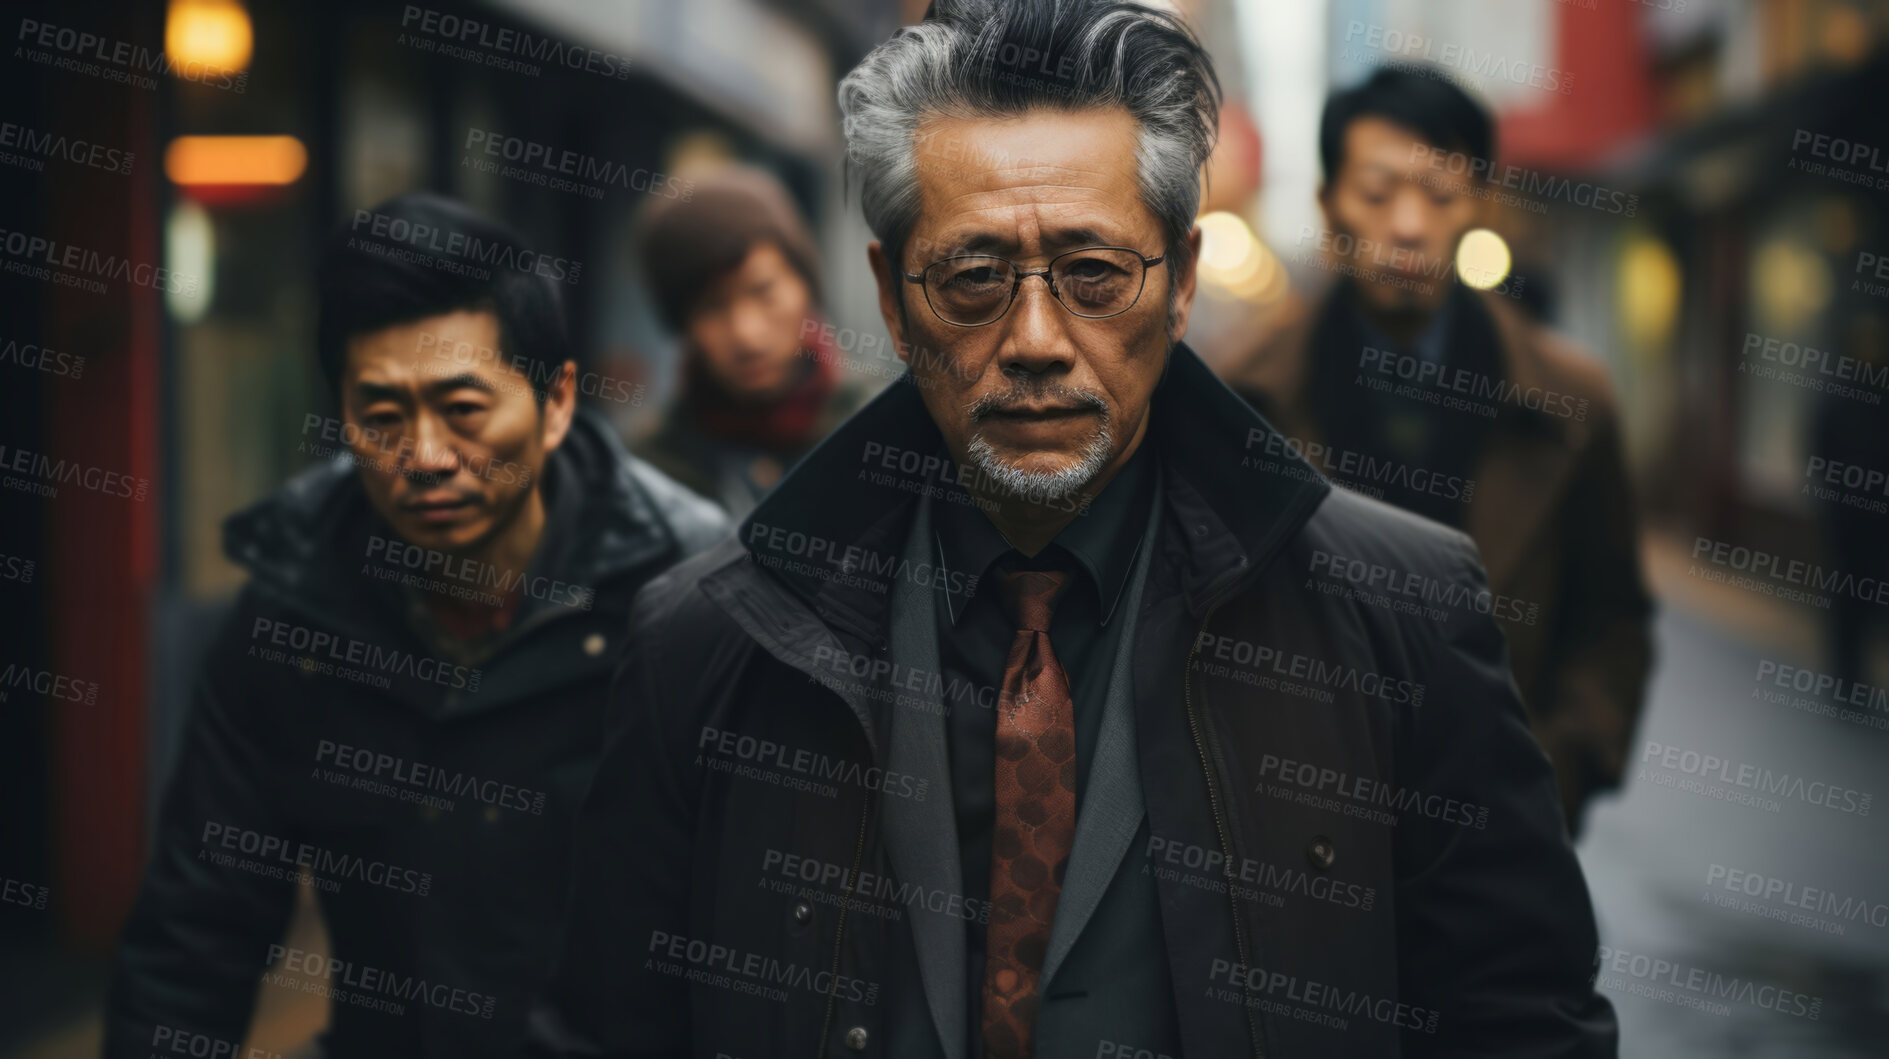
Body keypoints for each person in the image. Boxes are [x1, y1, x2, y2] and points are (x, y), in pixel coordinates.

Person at [531, 3, 1615, 1057]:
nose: (1037, 338)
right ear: (893, 299)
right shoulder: (706, 645)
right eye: (972, 278)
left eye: (1094, 274)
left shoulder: (1400, 619)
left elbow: (1518, 1022)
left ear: (1181, 282)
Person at [103, 193, 726, 1059]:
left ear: (555, 404)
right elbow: (197, 926)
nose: (426, 456)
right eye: (384, 416)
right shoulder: (296, 603)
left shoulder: (687, 597)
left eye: (464, 409)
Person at [1226, 66, 1655, 838]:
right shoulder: (1238, 392)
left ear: (1480, 208)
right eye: (1378, 191)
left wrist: (1552, 776)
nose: (1409, 225)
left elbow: (1610, 619)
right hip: (1290, 841)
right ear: (1329, 208)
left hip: (1492, 842)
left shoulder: (1568, 402)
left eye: (1441, 194)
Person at [635, 166, 858, 518]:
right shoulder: (649, 474)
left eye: (764, 291)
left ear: (805, 285)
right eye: (712, 307)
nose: (746, 334)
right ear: (683, 325)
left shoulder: (882, 430)